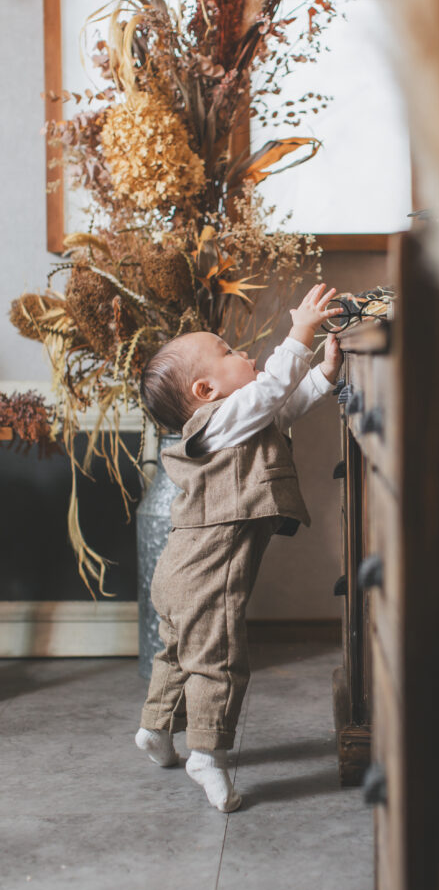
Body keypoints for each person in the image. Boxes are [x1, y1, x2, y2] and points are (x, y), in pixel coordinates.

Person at [134, 283, 344, 812]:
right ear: (205, 390)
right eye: (228, 352)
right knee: (218, 661)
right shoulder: (218, 420)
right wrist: (301, 334)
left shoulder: (240, 421)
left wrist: (324, 374)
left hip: (177, 571)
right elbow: (271, 391)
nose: (244, 353)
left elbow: (283, 406)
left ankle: (155, 729)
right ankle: (206, 753)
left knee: (176, 654)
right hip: (205, 576)